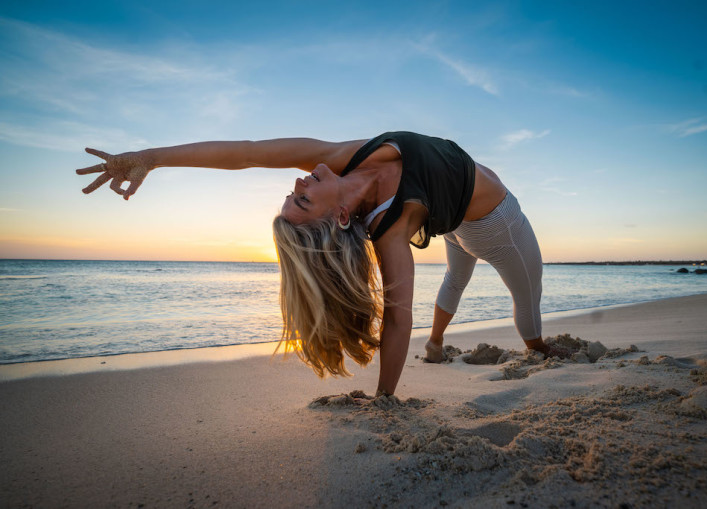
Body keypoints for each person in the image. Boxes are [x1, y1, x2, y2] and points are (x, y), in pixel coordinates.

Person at [76, 132, 546, 396]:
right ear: (341, 216)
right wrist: (385, 400)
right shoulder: (392, 229)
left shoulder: (341, 159)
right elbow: (399, 319)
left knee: (456, 278)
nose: (301, 180)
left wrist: (150, 157)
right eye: (302, 198)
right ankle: (540, 348)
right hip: (496, 223)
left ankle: (439, 345)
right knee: (528, 294)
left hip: (456, 220)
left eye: (294, 192)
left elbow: (248, 154)